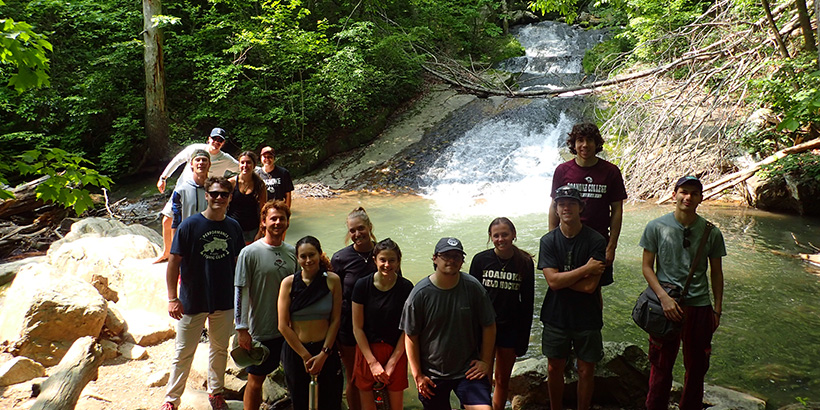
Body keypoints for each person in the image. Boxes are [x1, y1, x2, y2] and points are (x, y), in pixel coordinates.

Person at [640, 176, 725, 410]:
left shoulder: (711, 232)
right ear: (674, 194)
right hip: (665, 305)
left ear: (701, 198)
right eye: (683, 192)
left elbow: (716, 274)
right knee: (660, 365)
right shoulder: (656, 227)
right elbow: (647, 267)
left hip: (699, 306)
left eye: (694, 193)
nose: (688, 197)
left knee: (697, 367)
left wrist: (717, 309)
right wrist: (663, 298)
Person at [160, 176, 245, 410]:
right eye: (214, 193)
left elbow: (239, 265)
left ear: (229, 198)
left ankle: (215, 393)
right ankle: (171, 400)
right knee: (183, 352)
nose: (219, 198)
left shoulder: (233, 227)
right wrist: (172, 298)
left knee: (219, 349)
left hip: (223, 300)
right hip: (192, 299)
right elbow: (173, 263)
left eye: (224, 194)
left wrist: (242, 301)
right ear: (206, 196)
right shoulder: (189, 226)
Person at [400, 237, 496, 410]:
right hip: (433, 374)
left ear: (462, 261)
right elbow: (411, 336)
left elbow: (489, 325)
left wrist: (485, 361)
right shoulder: (419, 294)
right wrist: (417, 375)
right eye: (446, 255)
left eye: (456, 256)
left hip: (468, 370)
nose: (451, 260)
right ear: (435, 258)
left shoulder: (473, 288)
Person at [538, 186, 607, 410]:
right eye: (561, 204)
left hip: (587, 316)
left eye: (571, 203)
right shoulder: (548, 241)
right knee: (553, 368)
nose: (566, 207)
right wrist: (584, 268)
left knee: (587, 370)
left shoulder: (596, 240)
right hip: (556, 315)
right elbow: (552, 282)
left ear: (580, 208)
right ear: (556, 209)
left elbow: (589, 287)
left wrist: (561, 278)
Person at [234, 200, 296, 410]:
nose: (278, 222)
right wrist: (242, 328)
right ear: (263, 222)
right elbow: (240, 290)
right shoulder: (249, 253)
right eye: (273, 218)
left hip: (288, 330)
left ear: (288, 222)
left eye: (282, 219)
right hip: (260, 329)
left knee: (294, 378)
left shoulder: (293, 252)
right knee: (255, 380)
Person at [549, 123, 627, 287]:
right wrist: (552, 238)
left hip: (598, 241)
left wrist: (611, 246)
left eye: (590, 140)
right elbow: (553, 206)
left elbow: (617, 210)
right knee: (564, 283)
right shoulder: (562, 170)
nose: (585, 145)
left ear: (597, 143)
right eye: (580, 140)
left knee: (593, 288)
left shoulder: (611, 171)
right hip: (567, 239)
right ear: (574, 144)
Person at [469, 218, 534, 410]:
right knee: (483, 378)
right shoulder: (481, 260)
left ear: (514, 234)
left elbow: (527, 302)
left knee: (502, 379)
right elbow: (471, 299)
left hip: (510, 328)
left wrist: (523, 338)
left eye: (505, 234)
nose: (500, 239)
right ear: (490, 237)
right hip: (484, 328)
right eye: (496, 235)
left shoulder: (524, 262)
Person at [278, 236, 344, 410]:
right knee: (300, 402)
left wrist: (324, 354)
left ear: (320, 254)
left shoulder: (332, 280)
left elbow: (336, 319)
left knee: (330, 402)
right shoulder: (288, 284)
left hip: (326, 351)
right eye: (303, 256)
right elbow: (283, 325)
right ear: (297, 258)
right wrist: (306, 356)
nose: (308, 260)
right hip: (297, 353)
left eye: (312, 255)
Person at [155, 127, 239, 263]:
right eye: (214, 139)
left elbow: (244, 168)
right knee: (167, 220)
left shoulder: (226, 159)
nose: (216, 142)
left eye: (220, 140)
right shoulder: (195, 149)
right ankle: (167, 252)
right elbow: (177, 161)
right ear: (209, 139)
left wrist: (230, 182)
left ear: (223, 143)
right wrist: (163, 177)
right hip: (182, 190)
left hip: (205, 193)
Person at [351, 238, 414, 410]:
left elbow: (407, 329)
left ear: (399, 261)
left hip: (396, 351)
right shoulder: (362, 285)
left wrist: (392, 363)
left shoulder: (406, 287)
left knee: (396, 406)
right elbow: (357, 327)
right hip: (367, 351)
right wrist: (372, 362)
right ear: (374, 260)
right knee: (368, 407)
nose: (387, 264)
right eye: (383, 260)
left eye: (392, 260)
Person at [330, 207, 378, 410]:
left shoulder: (383, 253)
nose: (357, 234)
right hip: (348, 326)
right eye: (352, 230)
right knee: (353, 376)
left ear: (370, 227)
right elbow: (333, 296)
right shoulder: (340, 259)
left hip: (377, 326)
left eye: (361, 228)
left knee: (377, 374)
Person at [228, 151, 267, 243]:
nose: (245, 165)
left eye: (248, 162)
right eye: (242, 162)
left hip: (252, 229)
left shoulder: (260, 184)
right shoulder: (231, 183)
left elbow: (263, 210)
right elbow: (223, 206)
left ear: (254, 165)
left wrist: (260, 231)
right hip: (233, 228)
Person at [169, 149, 210, 233]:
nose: (201, 163)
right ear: (191, 164)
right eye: (197, 160)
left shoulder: (214, 189)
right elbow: (176, 220)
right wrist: (175, 243)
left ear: (209, 164)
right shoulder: (180, 191)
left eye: (204, 160)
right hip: (187, 236)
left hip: (209, 236)